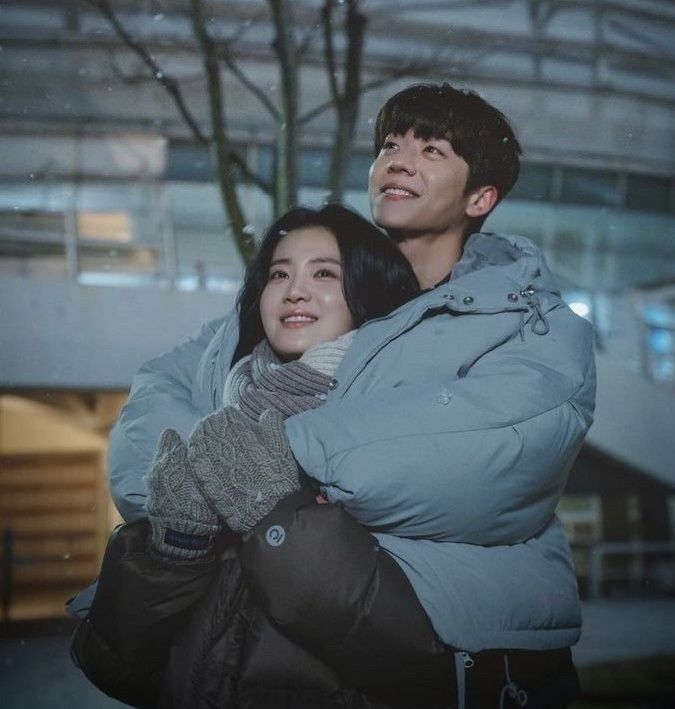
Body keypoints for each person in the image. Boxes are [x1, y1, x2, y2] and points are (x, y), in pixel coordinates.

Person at [82, 83, 596, 708]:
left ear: (481, 197)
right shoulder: (300, 315)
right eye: (389, 145)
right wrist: (190, 494)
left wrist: (285, 458)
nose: (399, 161)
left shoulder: (526, 320)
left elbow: (493, 451)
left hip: (434, 645)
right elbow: (157, 396)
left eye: (432, 150)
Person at [72, 204, 454, 707]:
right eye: (279, 273)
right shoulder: (214, 409)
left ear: (368, 293)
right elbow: (116, 667)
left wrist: (277, 519)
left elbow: (418, 666)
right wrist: (174, 552)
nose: (295, 289)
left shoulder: (398, 425)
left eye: (324, 273)